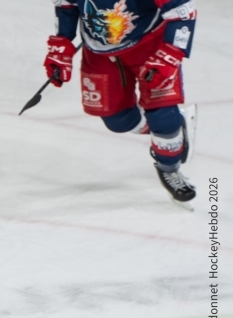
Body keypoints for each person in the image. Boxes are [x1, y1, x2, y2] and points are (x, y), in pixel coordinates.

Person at [43, 0, 197, 204]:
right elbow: (66, 8)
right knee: (117, 120)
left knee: (162, 112)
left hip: (149, 45)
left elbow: (182, 12)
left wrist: (169, 55)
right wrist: (61, 46)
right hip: (99, 53)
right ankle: (173, 129)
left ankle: (169, 167)